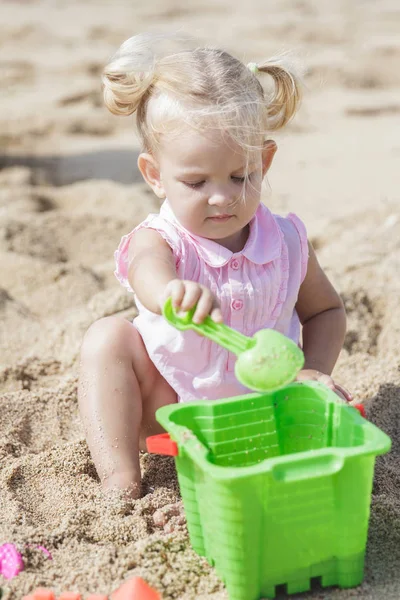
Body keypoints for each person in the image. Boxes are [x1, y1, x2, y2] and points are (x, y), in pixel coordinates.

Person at [78, 32, 351, 502]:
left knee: (337, 404)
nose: (222, 197)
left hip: (266, 408)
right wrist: (170, 293)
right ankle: (120, 478)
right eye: (197, 181)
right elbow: (147, 270)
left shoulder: (286, 241)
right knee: (107, 337)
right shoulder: (162, 239)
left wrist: (312, 371)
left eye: (241, 176)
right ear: (154, 176)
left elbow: (327, 313)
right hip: (169, 408)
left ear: (264, 162)